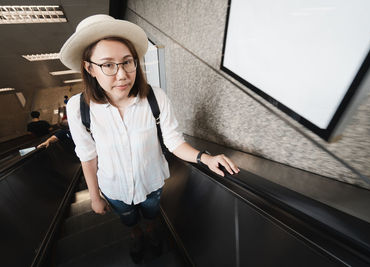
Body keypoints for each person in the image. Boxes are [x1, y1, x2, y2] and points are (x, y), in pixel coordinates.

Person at [60, 14, 240, 262]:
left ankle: (151, 230)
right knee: (128, 218)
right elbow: (87, 155)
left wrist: (205, 158)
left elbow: (174, 141)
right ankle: (135, 234)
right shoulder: (78, 108)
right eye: (108, 65)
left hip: (152, 183)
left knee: (152, 213)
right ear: (89, 68)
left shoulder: (155, 97)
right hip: (114, 189)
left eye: (127, 62)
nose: (122, 74)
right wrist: (94, 197)